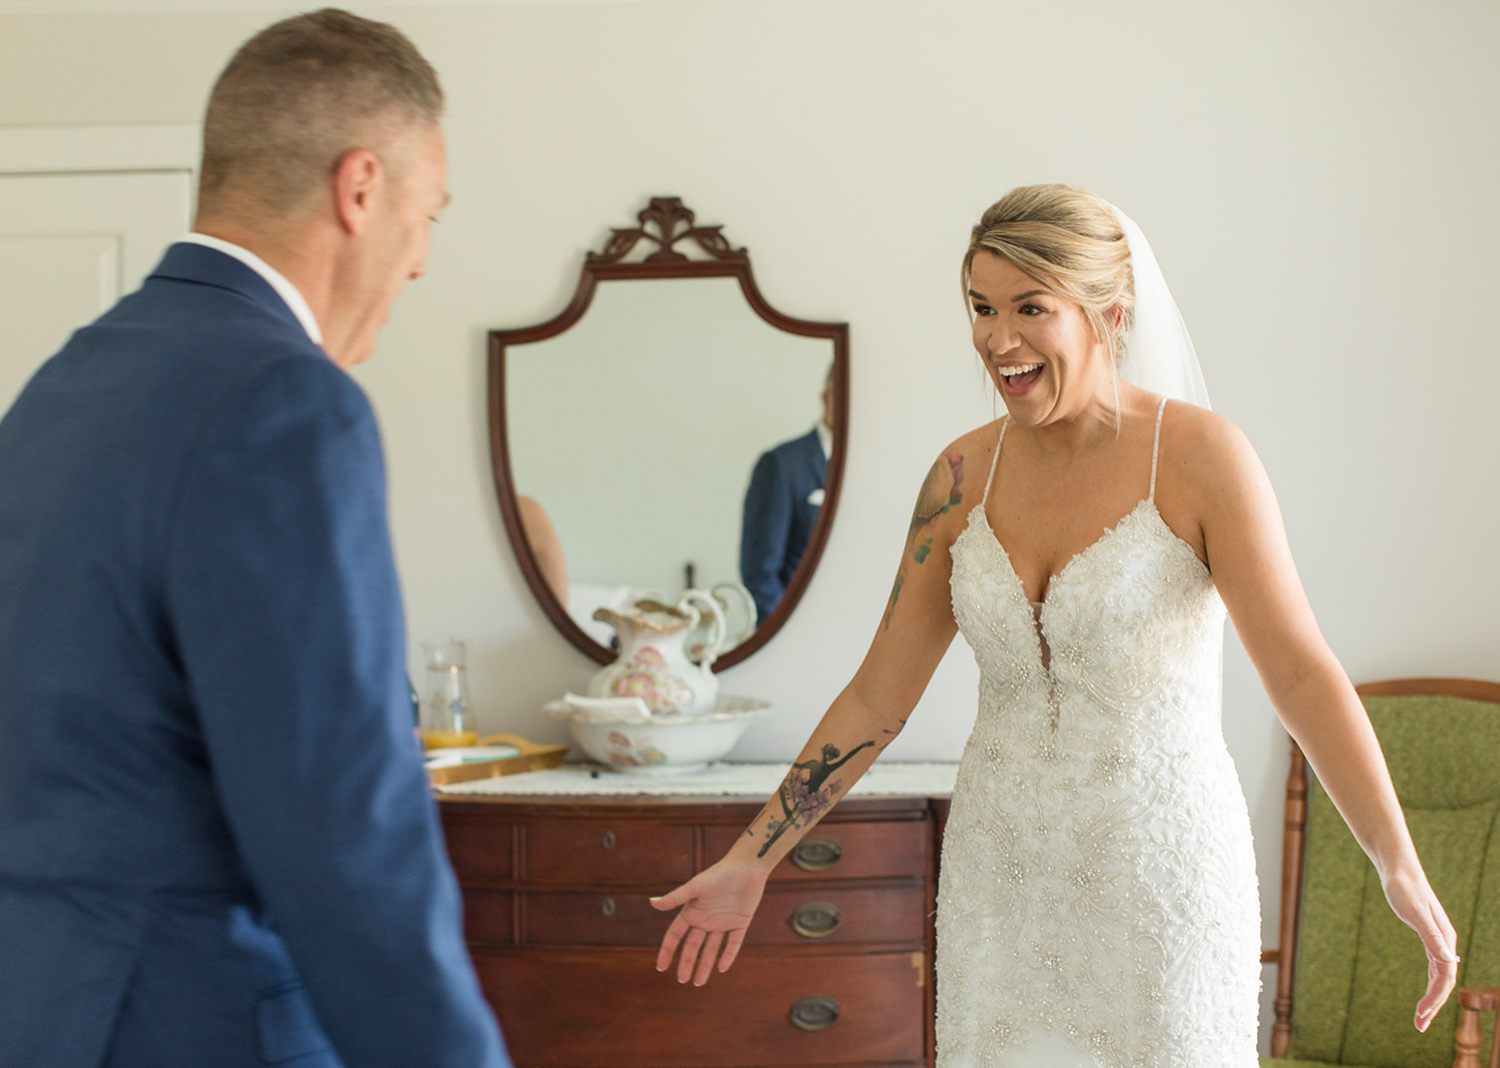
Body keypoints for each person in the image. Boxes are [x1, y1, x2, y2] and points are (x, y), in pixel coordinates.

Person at [651, 184, 1459, 1066]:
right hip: (998, 889)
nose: (998, 340)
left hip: (1160, 884)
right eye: (981, 307)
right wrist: (753, 858)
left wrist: (1397, 862)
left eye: (1030, 308)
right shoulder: (958, 478)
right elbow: (879, 696)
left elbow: (1301, 674)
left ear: (1109, 314)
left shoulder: (1200, 458)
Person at [0, 10, 510, 1068]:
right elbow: (343, 832)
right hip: (193, 1017)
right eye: (431, 215)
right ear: (360, 188)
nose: (420, 263)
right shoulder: (284, 402)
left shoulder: (62, 385)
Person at [738, 364, 834, 623]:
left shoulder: (870, 467)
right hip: (795, 637)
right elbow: (760, 573)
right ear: (827, 398)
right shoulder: (781, 465)